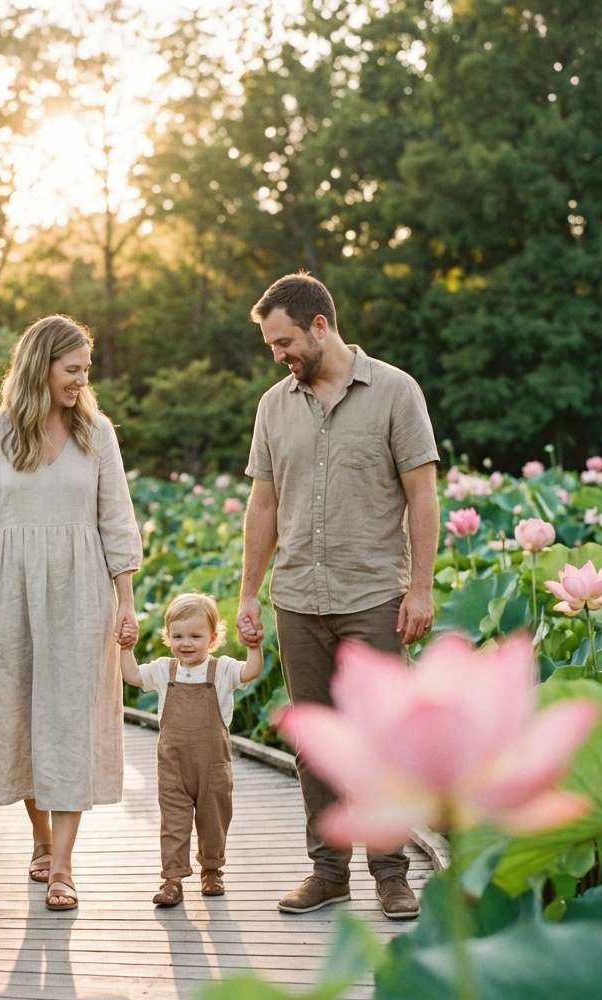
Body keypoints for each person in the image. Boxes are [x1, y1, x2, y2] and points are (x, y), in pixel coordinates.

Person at [237, 272, 440, 920]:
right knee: (316, 744)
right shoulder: (273, 406)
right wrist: (248, 594)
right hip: (298, 598)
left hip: (372, 595)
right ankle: (328, 873)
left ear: (320, 326)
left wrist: (421, 588)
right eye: (272, 345)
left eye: (285, 342)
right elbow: (262, 504)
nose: (279, 355)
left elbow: (422, 495)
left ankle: (391, 875)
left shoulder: (396, 392)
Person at [0, 314, 142, 911]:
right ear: (40, 366)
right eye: (72, 369)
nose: (82, 381)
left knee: (71, 720)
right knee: (22, 717)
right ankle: (39, 839)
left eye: (86, 370)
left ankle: (62, 866)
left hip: (83, 593)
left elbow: (117, 518)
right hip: (10, 592)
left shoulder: (96, 434)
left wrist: (127, 601)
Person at [120, 592, 263, 907]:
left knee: (214, 819)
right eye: (178, 636)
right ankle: (172, 880)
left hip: (213, 766)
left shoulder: (222, 669)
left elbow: (250, 672)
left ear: (213, 638)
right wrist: (126, 649)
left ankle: (211, 870)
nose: (186, 643)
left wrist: (254, 647)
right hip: (173, 765)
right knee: (173, 822)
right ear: (168, 636)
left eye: (195, 636)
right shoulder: (164, 670)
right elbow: (132, 676)